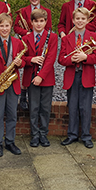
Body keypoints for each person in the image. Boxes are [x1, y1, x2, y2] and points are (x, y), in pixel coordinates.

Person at [58, 7, 96, 148]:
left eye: (83, 18)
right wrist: (72, 60)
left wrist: (85, 57)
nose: (80, 21)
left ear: (88, 20)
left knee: (85, 108)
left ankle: (86, 136)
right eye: (77, 18)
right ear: (73, 20)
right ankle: (72, 135)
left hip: (86, 75)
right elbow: (61, 59)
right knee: (73, 107)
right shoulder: (67, 39)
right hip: (72, 75)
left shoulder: (94, 37)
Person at [0, 13, 24, 156]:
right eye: (1, 26)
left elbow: (24, 60)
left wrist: (21, 63)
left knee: (12, 114)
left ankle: (10, 141)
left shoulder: (17, 42)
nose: (4, 28)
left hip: (13, 83)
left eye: (7, 25)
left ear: (11, 26)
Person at [22, 8, 58, 147]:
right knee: (34, 108)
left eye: (41, 21)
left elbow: (50, 59)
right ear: (31, 22)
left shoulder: (52, 37)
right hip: (31, 77)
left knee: (45, 107)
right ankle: (34, 135)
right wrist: (32, 59)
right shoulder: (25, 38)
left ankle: (43, 134)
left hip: (46, 78)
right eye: (36, 21)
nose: (38, 24)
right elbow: (22, 59)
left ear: (46, 22)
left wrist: (41, 76)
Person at [13, 0, 52, 111]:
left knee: (41, 63)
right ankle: (23, 96)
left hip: (41, 42)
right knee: (27, 68)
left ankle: (30, 93)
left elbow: (49, 28)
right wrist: (27, 34)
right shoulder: (23, 11)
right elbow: (16, 27)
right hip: (28, 40)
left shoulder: (47, 11)